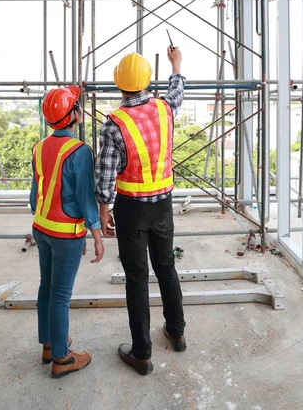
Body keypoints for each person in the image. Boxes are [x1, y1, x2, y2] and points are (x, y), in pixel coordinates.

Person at [95, 47, 186, 376]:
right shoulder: (165, 109)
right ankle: (176, 332)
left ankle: (142, 354)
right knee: (166, 268)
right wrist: (176, 64)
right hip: (162, 206)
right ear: (148, 81)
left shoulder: (114, 125)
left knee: (136, 279)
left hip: (131, 209)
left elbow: (105, 177)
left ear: (119, 84)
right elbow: (177, 90)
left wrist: (104, 212)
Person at [30, 85, 104, 379]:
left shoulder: (39, 147)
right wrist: (95, 234)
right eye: (77, 105)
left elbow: (34, 195)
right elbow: (87, 199)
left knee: (46, 287)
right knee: (60, 295)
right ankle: (61, 359)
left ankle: (50, 344)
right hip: (64, 235)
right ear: (73, 116)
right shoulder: (80, 151)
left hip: (41, 228)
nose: (80, 109)